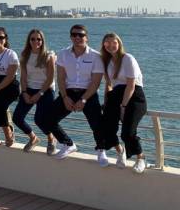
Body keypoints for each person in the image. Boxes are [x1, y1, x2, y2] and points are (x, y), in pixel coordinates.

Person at [49, 24, 106, 163]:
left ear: (86, 38)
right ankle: (68, 144)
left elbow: (96, 82)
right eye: (74, 35)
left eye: (81, 35)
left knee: (96, 124)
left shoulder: (96, 56)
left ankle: (101, 150)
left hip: (89, 93)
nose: (77, 37)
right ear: (70, 37)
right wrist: (65, 97)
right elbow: (61, 78)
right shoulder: (63, 54)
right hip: (69, 92)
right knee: (46, 119)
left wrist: (84, 100)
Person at [100, 32, 147, 174]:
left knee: (127, 133)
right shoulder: (106, 62)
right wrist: (107, 103)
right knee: (107, 127)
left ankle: (141, 157)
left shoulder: (128, 58)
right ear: (104, 45)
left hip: (134, 97)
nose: (111, 45)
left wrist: (123, 107)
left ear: (119, 43)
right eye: (107, 43)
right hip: (115, 96)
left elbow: (131, 85)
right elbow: (108, 85)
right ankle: (121, 151)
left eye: (114, 42)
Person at [12, 29, 57, 154]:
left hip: (46, 90)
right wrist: (25, 92)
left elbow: (50, 78)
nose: (36, 41)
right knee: (17, 118)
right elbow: (24, 77)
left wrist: (39, 94)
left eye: (38, 39)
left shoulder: (49, 56)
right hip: (29, 89)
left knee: (40, 119)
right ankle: (33, 138)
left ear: (42, 41)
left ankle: (51, 139)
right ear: (29, 40)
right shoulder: (25, 55)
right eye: (33, 39)